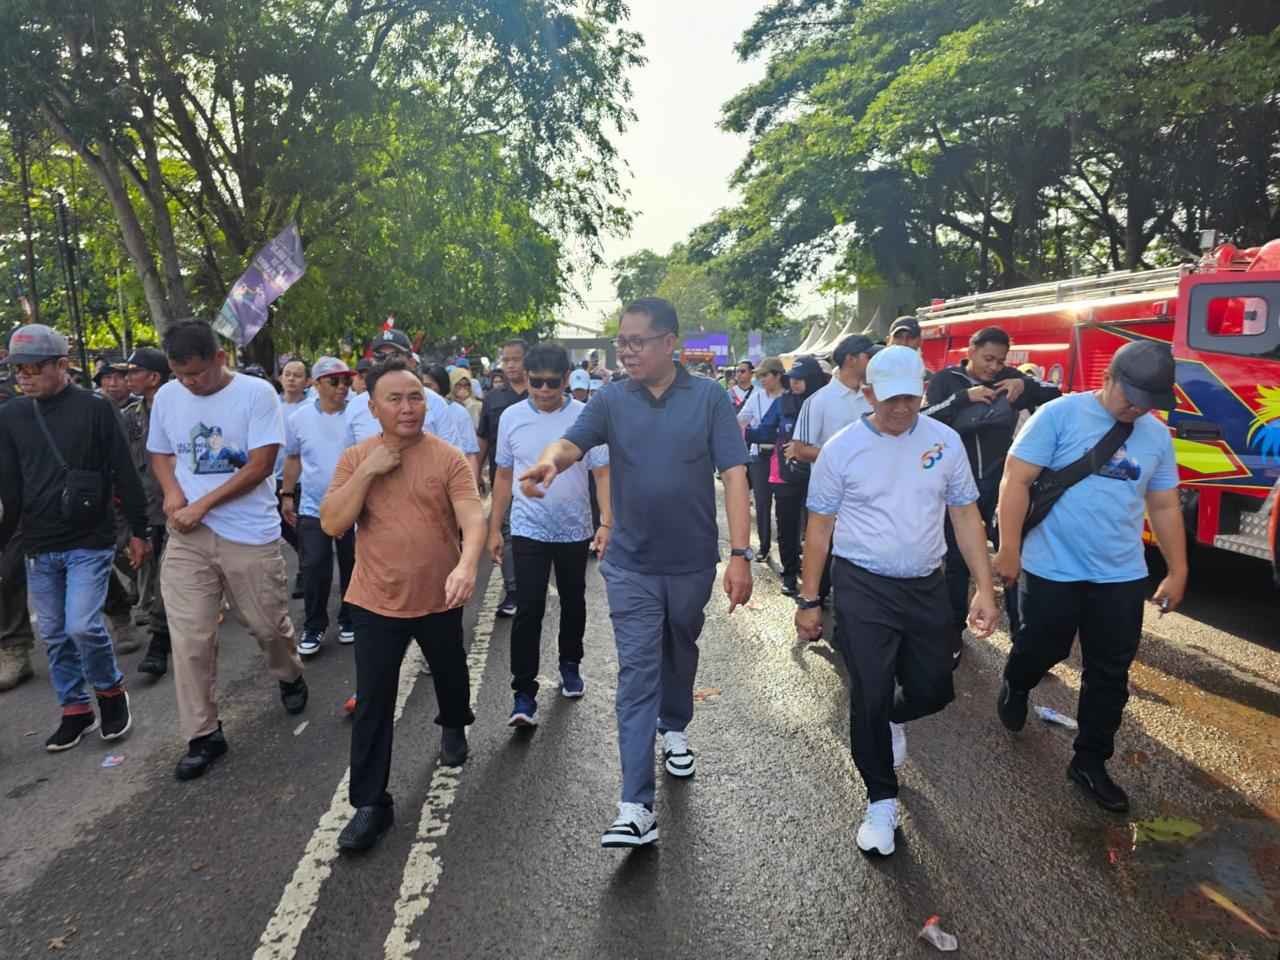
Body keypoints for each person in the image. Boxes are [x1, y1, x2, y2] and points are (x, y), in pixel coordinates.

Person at [520, 297, 753, 850]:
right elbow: (572, 441)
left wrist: (741, 554)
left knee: (681, 645)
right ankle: (635, 806)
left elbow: (737, 475)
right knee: (637, 672)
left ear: (669, 342)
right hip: (629, 564)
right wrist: (551, 462)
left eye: (637, 341)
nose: (625, 350)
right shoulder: (610, 398)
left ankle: (675, 724)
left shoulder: (710, 398)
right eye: (621, 341)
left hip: (692, 560)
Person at [795, 345, 999, 856]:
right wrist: (810, 599)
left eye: (910, 398)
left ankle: (892, 716)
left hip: (926, 585)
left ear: (924, 391)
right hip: (863, 584)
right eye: (889, 400)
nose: (901, 409)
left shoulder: (944, 441)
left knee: (934, 689)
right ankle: (880, 800)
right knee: (868, 688)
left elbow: (966, 517)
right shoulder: (842, 449)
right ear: (867, 393)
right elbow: (819, 531)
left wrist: (984, 587)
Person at [994, 340, 1186, 814]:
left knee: (1110, 672)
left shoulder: (1155, 436)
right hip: (1051, 566)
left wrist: (1179, 569)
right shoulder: (1060, 415)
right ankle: (1018, 680)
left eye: (1148, 400)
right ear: (1109, 377)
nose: (1137, 406)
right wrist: (1010, 550)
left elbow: (1162, 504)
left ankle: (1089, 761)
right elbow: (1015, 480)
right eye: (1132, 394)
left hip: (1120, 576)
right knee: (1046, 646)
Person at [320, 356, 485, 853]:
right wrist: (369, 470)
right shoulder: (355, 459)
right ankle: (371, 805)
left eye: (415, 397)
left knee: (451, 673)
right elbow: (332, 523)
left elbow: (472, 516)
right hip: (375, 600)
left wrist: (467, 565)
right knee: (373, 700)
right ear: (373, 408)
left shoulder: (448, 457)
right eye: (395, 399)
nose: (408, 407)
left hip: (439, 595)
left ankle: (453, 723)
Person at [148, 320, 307, 781]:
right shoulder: (167, 397)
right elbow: (159, 453)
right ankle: (203, 733)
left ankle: (290, 673)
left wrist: (202, 504)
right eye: (180, 376)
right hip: (188, 538)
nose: (189, 384)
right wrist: (172, 493)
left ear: (220, 358)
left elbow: (260, 466)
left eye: (196, 374)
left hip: (248, 534)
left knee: (267, 627)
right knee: (191, 637)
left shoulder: (258, 394)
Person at [0, 324, 149, 749]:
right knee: (54, 633)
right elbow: (9, 488)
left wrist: (139, 531)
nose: (23, 376)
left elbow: (124, 468)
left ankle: (110, 693)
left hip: (90, 539)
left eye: (33, 367)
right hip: (39, 544)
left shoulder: (96, 409)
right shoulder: (10, 416)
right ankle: (75, 709)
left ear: (62, 365)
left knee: (82, 625)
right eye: (17, 369)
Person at [488, 343, 611, 727]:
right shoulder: (511, 417)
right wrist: (495, 527)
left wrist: (607, 522)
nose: (542, 391)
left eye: (551, 383)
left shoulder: (586, 418)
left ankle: (570, 665)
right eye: (535, 382)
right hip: (528, 528)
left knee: (574, 601)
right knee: (529, 608)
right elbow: (504, 475)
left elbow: (602, 473)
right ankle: (523, 693)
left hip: (574, 528)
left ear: (566, 380)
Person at [923, 327, 1060, 655]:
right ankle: (953, 635)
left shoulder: (1010, 379)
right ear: (971, 350)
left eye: (1000, 361)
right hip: (957, 486)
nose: (994, 367)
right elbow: (923, 417)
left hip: (1001, 486)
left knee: (1010, 557)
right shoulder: (947, 380)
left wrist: (1022, 384)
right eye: (988, 359)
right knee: (956, 562)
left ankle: (1021, 639)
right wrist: (961, 399)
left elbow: (1054, 394)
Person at [282, 358, 358, 657]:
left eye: (346, 381)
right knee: (314, 566)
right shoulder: (298, 419)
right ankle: (314, 626)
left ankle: (350, 619)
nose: (342, 387)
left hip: (354, 505)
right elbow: (293, 458)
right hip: (315, 506)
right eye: (334, 381)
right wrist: (287, 494)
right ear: (316, 384)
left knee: (353, 564)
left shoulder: (358, 414)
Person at [744, 356, 825, 596]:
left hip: (822, 476)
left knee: (818, 529)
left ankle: (821, 583)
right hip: (788, 474)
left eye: (802, 379)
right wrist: (744, 432)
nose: (796, 384)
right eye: (794, 379)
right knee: (787, 527)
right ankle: (790, 575)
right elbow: (766, 430)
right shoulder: (784, 402)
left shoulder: (825, 402)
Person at [122, 347, 174, 678]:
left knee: (166, 577)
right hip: (145, 509)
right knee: (154, 572)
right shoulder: (130, 416)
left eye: (133, 372)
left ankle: (158, 642)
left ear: (153, 377)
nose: (127, 378)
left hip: (181, 507)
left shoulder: (180, 408)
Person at [342, 331, 473, 453]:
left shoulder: (435, 403)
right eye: (380, 356)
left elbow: (453, 458)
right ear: (373, 407)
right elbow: (349, 461)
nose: (387, 363)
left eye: (395, 356)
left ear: (411, 362)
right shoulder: (356, 406)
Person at [476, 339, 531, 618]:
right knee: (506, 533)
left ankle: (531, 585)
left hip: (537, 482)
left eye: (516, 359)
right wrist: (475, 472)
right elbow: (483, 439)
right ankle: (513, 592)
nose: (510, 365)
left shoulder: (541, 393)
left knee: (529, 538)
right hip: (504, 481)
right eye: (506, 359)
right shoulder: (494, 398)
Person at [0, 368, 36, 691]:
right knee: (5, 574)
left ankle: (118, 610)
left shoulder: (9, 392)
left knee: (73, 558)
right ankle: (14, 647)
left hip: (27, 498)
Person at [736, 356, 787, 565]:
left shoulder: (789, 398)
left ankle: (788, 552)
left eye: (765, 375)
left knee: (784, 507)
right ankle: (764, 546)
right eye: (760, 376)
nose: (762, 379)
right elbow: (741, 419)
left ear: (778, 375)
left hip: (782, 457)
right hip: (759, 456)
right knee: (762, 503)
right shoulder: (756, 397)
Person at [424, 364, 482, 486]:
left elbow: (470, 454)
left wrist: (471, 488)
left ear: (441, 385)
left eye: (428, 386)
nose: (424, 390)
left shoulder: (459, 412)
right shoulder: (409, 412)